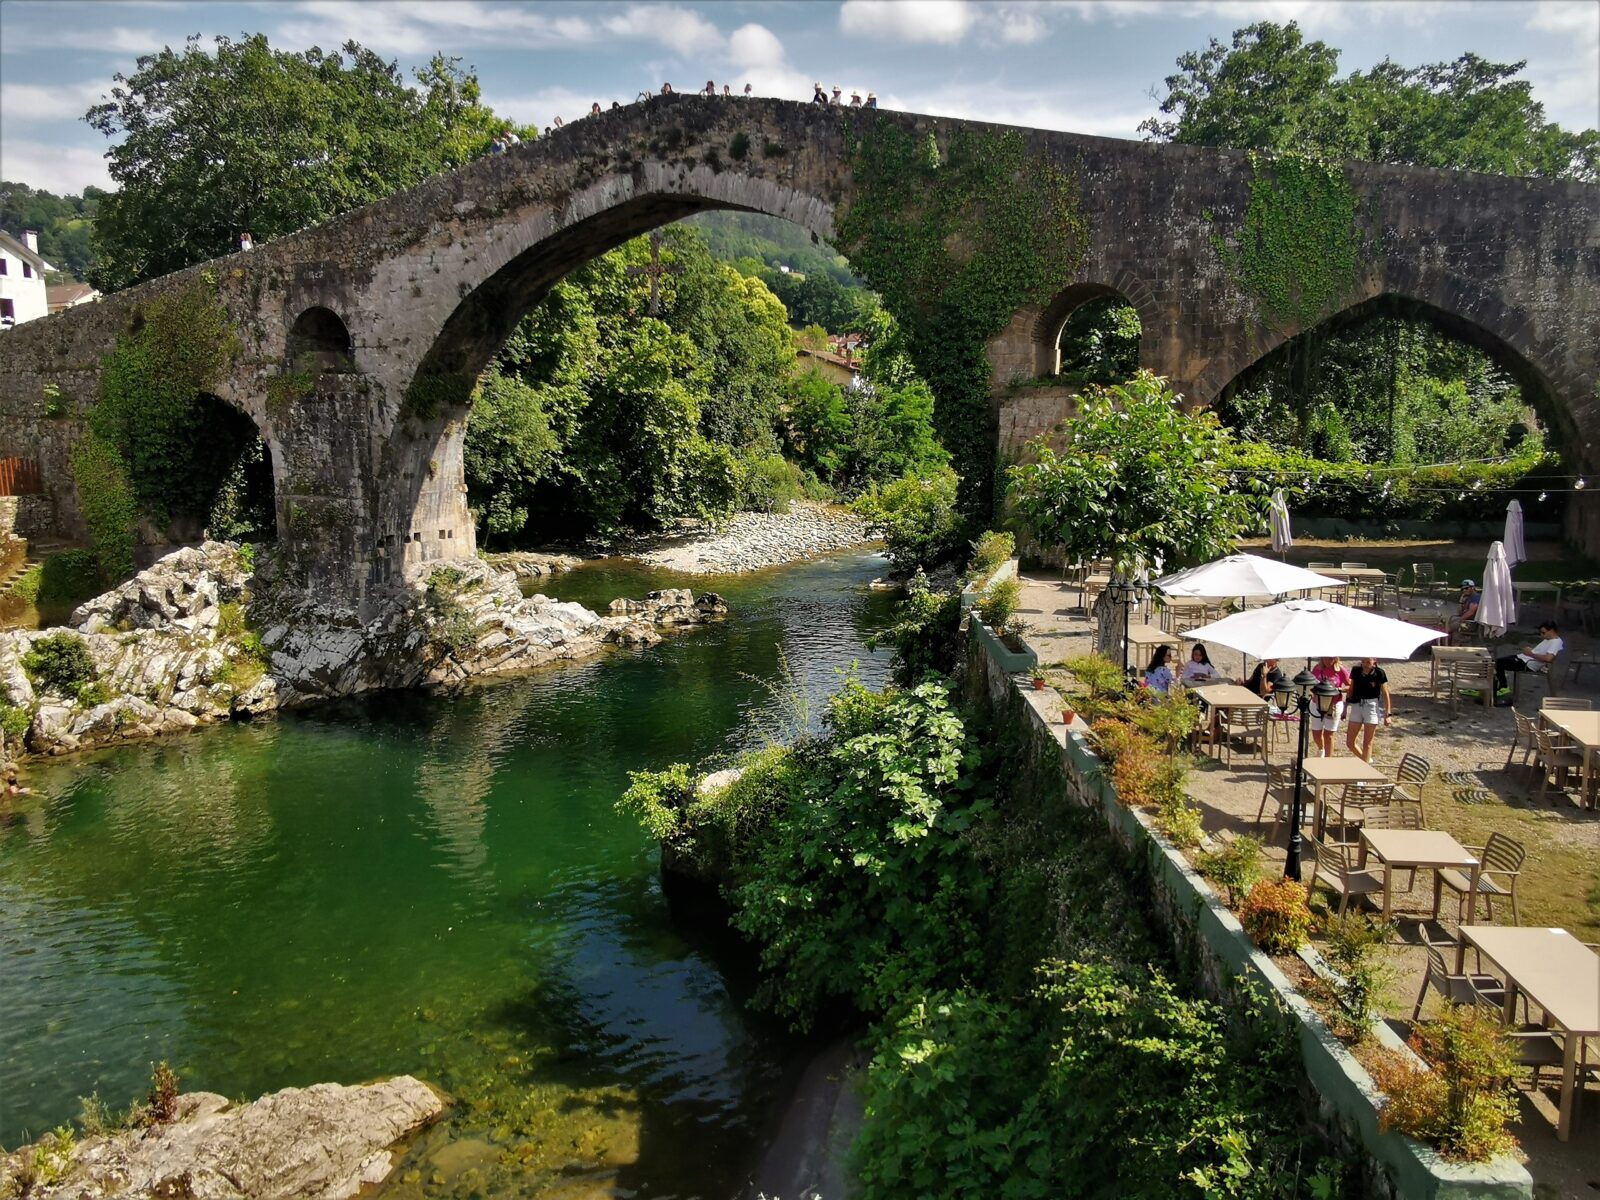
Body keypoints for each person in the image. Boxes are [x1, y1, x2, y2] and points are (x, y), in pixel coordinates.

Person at [1494, 621, 1563, 700]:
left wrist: (1531, 654)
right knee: (1496, 661)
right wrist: (1531, 651)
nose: (1541, 635)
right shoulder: (1548, 639)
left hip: (1528, 664)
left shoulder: (1556, 642)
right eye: (1540, 633)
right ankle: (1499, 686)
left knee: (1499, 663)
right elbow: (1540, 652)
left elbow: (1548, 658)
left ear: (1552, 630)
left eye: (1543, 633)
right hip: (1525, 658)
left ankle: (1503, 687)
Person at [1344, 657, 1392, 761]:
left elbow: (1385, 693)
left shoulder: (1379, 673)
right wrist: (1345, 707)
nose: (1365, 664)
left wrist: (1387, 714)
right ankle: (1366, 762)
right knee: (1350, 742)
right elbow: (1351, 689)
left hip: (1371, 706)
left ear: (1374, 661)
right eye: (1363, 661)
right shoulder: (1356, 670)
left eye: (1368, 662)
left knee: (1367, 743)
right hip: (1357, 705)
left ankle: (1365, 771)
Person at [1310, 656, 1350, 756]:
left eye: (1331, 658)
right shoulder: (1317, 668)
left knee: (1328, 734)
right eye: (1326, 658)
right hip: (1317, 703)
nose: (1328, 661)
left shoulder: (1340, 670)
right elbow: (1311, 682)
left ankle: (1328, 759)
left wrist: (1341, 689)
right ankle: (1321, 748)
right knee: (1316, 733)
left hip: (1334, 705)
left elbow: (1350, 685)